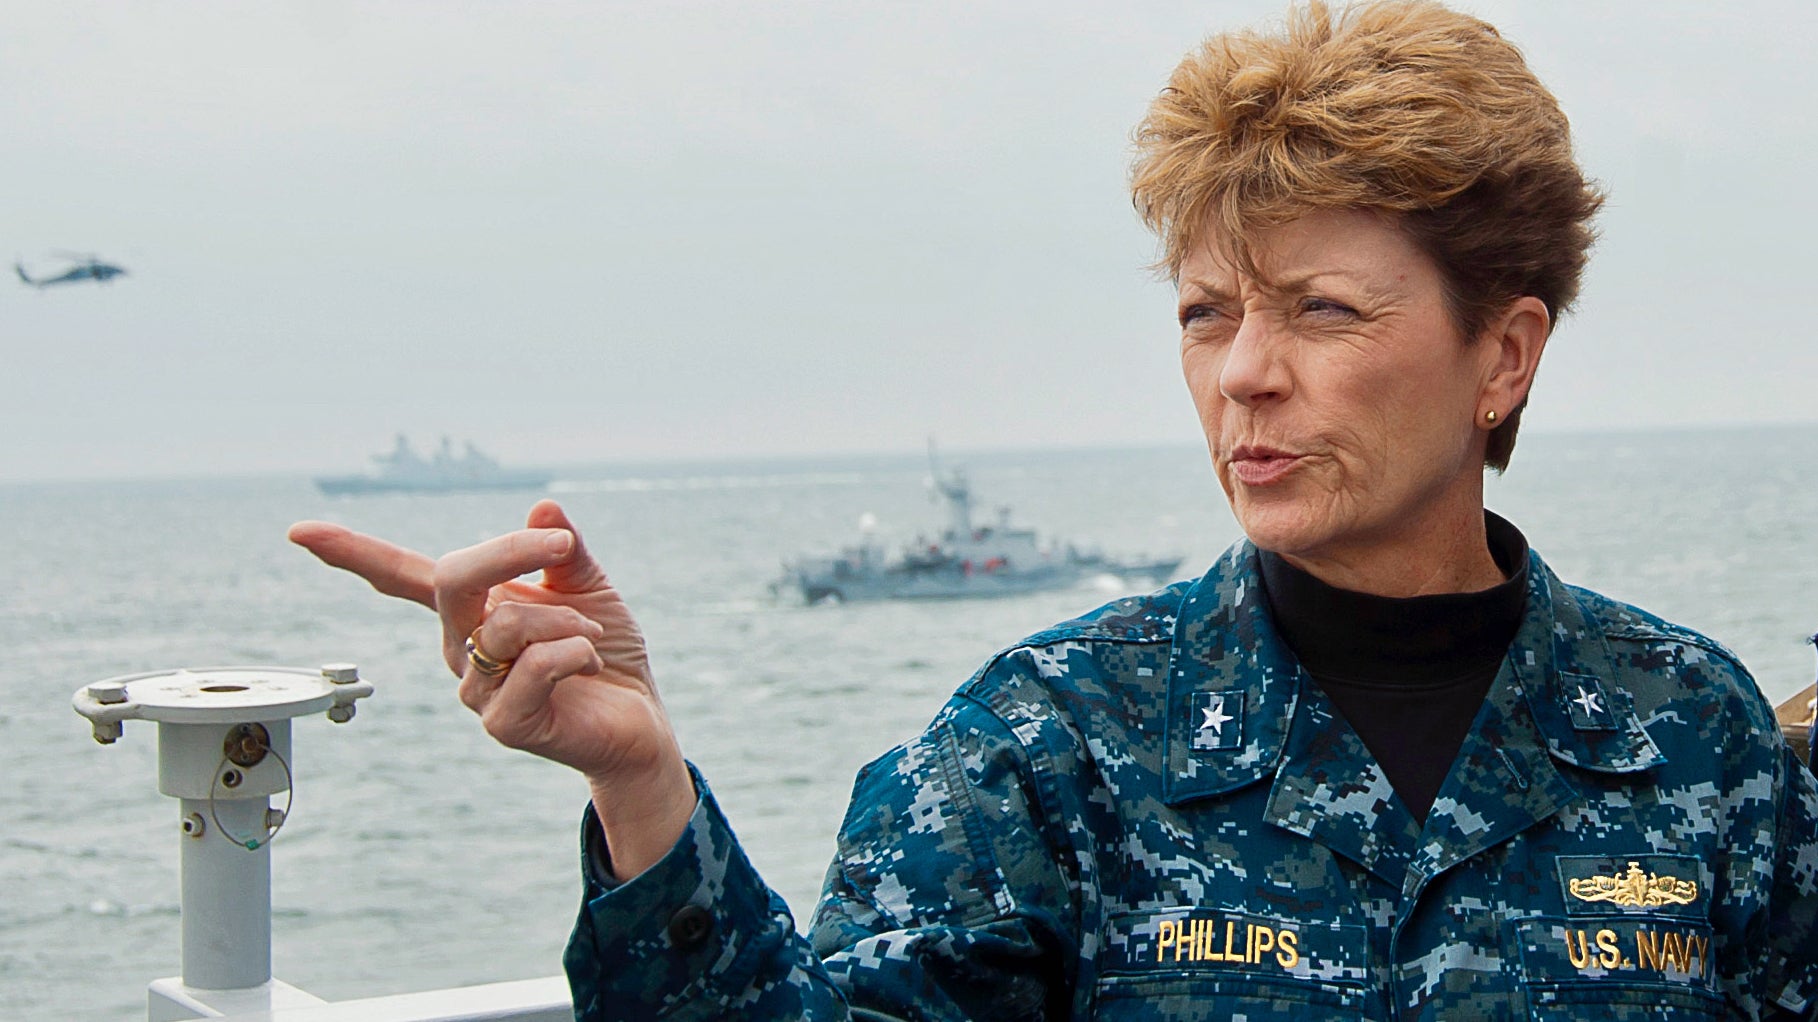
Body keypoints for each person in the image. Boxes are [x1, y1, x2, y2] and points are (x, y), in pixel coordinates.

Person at [289, 2, 1818, 1018]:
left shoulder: (1694, 733)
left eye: (1322, 310)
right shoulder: (1054, 741)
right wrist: (641, 785)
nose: (1246, 377)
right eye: (1206, 313)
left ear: (1504, 352)